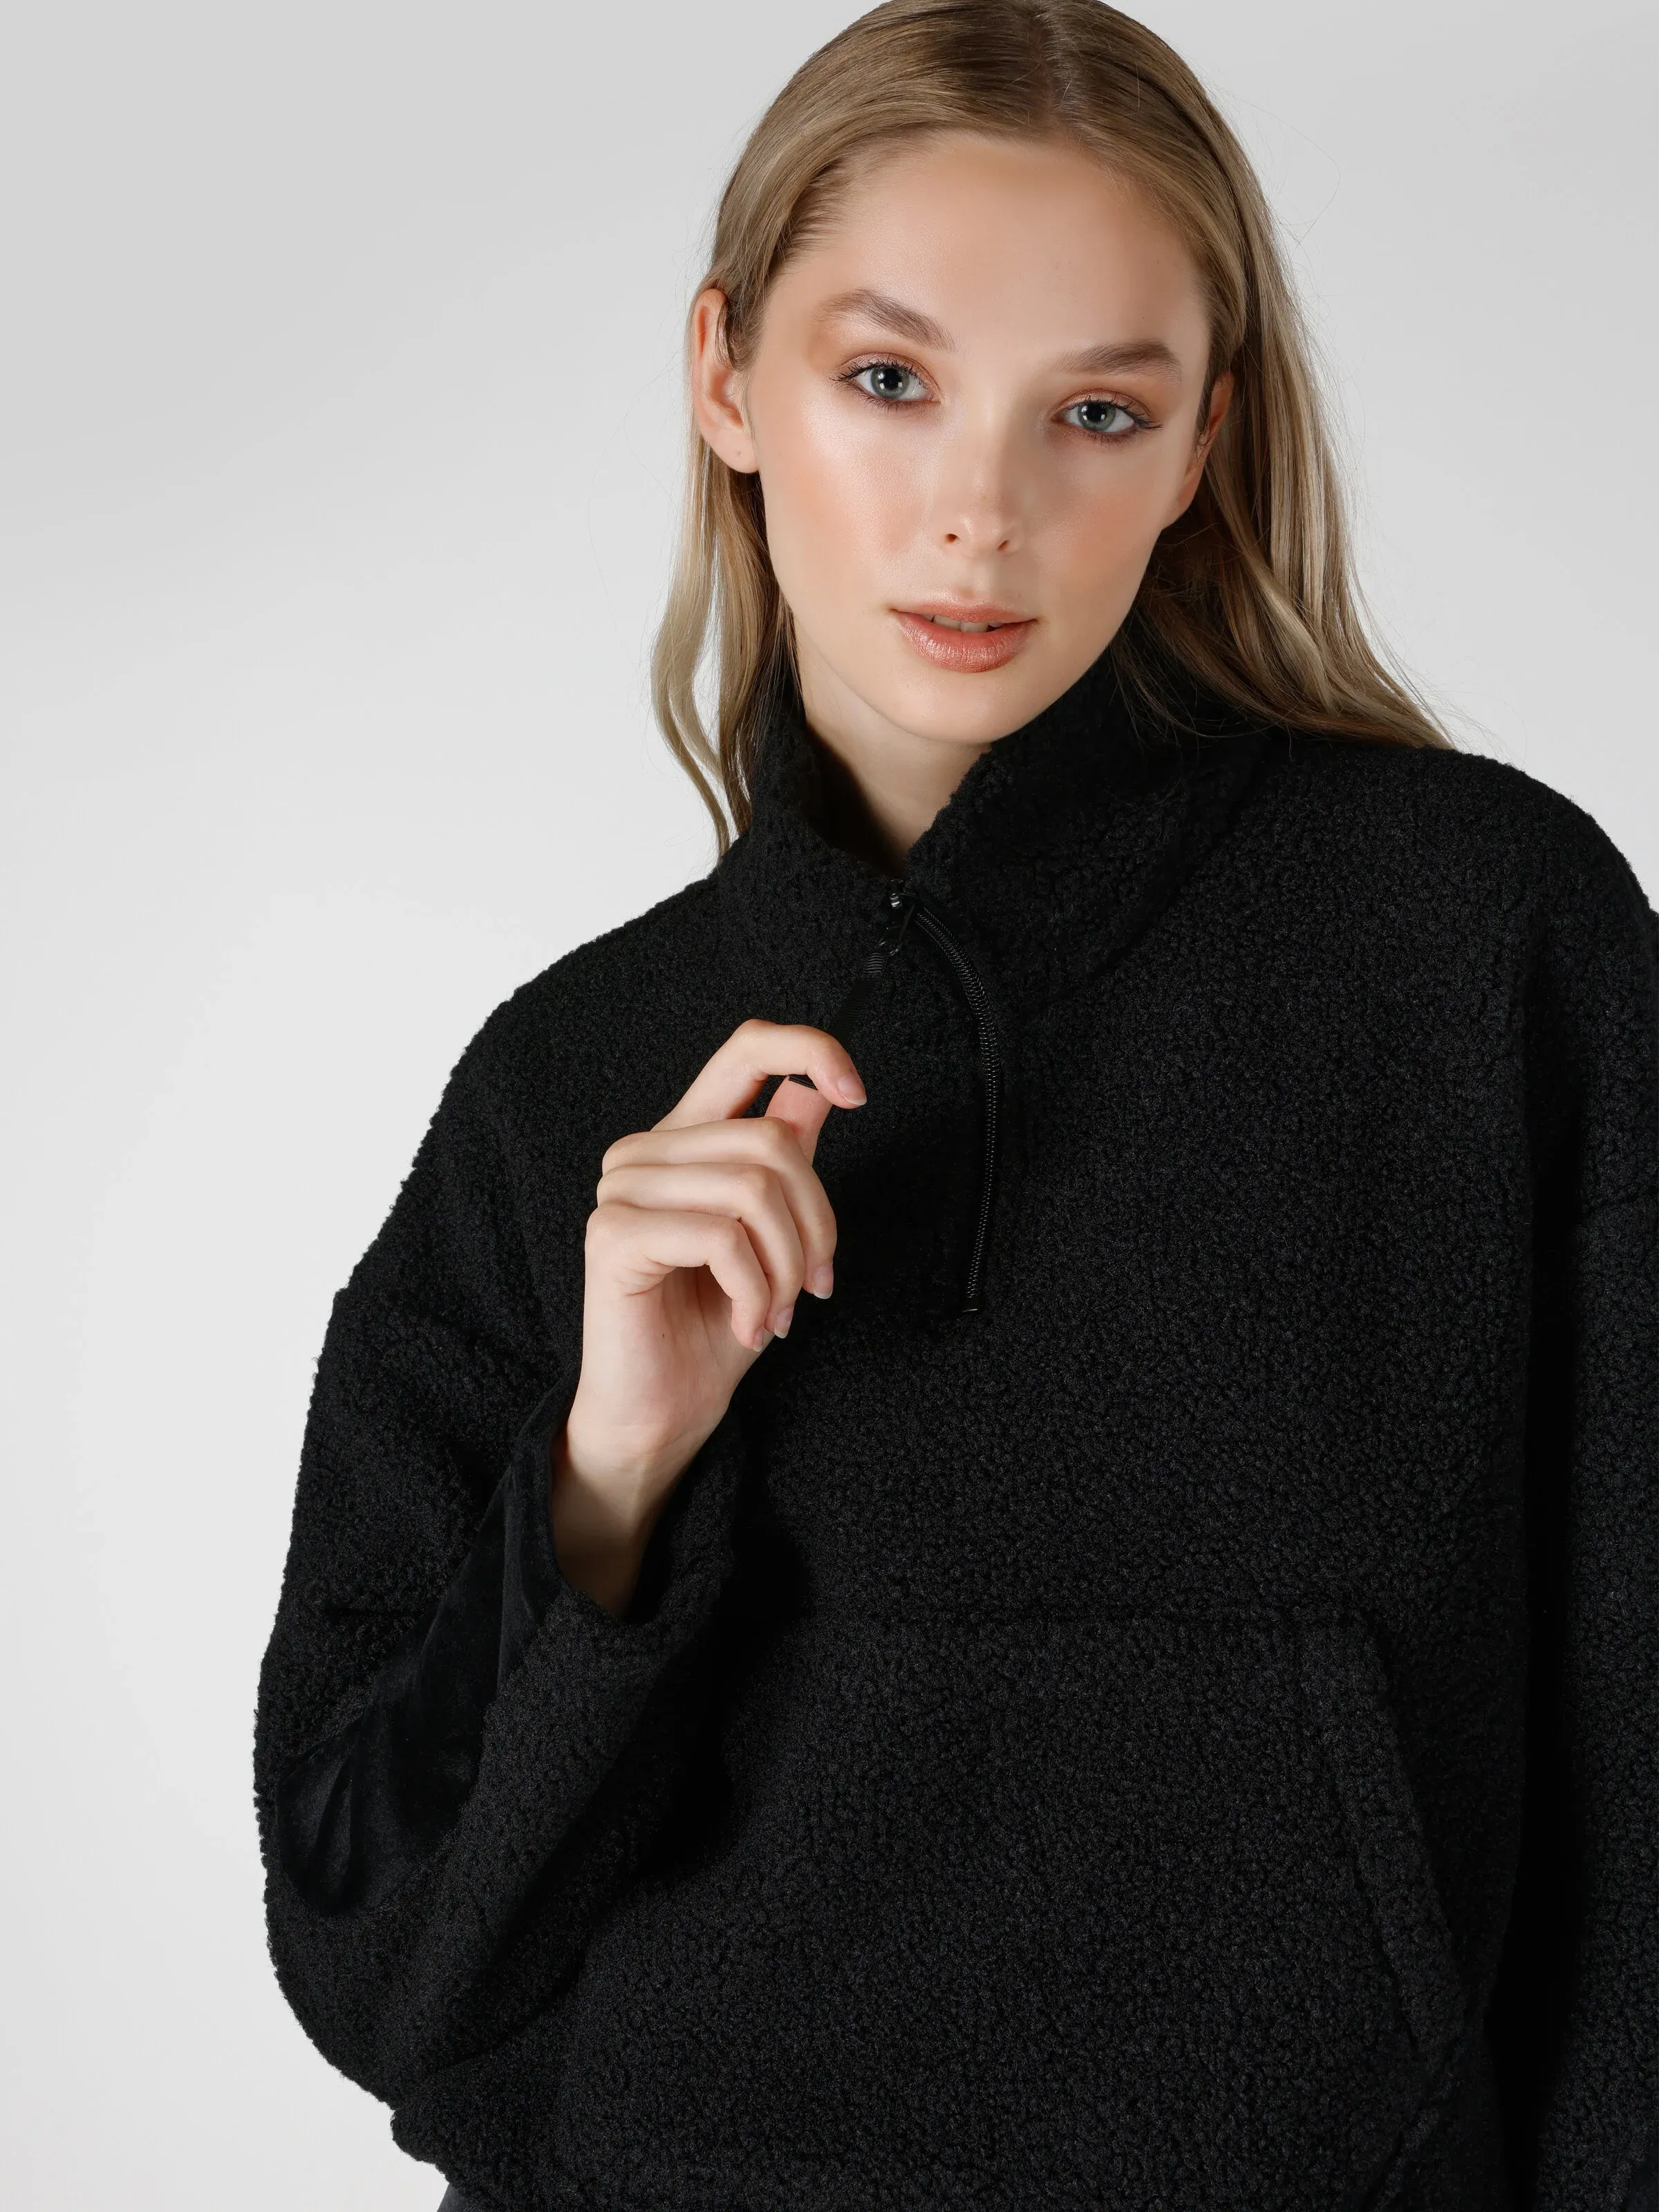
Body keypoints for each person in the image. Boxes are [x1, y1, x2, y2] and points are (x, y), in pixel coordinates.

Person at [252, 3, 1659, 2206]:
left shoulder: (1483, 944)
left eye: (1097, 411)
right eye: (888, 381)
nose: (981, 514)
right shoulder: (573, 1088)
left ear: (1202, 446)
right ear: (727, 377)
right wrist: (606, 1486)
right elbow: (371, 1950)